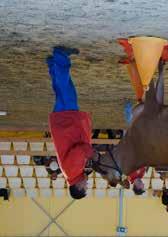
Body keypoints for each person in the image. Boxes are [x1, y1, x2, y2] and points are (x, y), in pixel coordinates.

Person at [47, 46, 96, 200]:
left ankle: (60, 56)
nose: (87, 184)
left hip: (67, 122)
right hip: (63, 123)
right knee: (62, 90)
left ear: (79, 187)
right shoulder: (72, 172)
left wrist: (92, 154)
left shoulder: (73, 171)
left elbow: (80, 150)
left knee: (66, 89)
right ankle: (52, 64)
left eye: (85, 187)